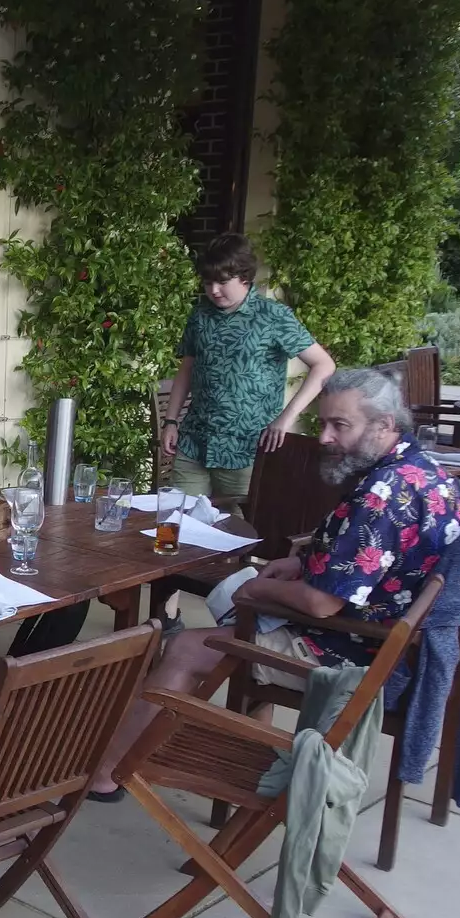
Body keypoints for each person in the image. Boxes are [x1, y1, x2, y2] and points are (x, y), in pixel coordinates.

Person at [91, 368, 460, 799]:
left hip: (355, 654)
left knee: (186, 647)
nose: (325, 437)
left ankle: (106, 775)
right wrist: (305, 561)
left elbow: (321, 603)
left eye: (340, 425)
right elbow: (382, 557)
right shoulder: (429, 472)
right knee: (243, 620)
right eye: (322, 423)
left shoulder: (381, 493)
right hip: (399, 643)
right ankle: (250, 744)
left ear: (385, 424)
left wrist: (256, 590)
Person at [158, 234, 336, 631]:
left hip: (249, 446)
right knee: (171, 520)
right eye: (207, 282)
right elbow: (187, 369)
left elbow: (323, 365)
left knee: (246, 530)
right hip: (195, 438)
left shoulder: (273, 317)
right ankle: (166, 612)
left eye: (222, 281)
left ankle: (246, 613)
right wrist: (171, 421)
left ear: (245, 277)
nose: (214, 290)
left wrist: (286, 418)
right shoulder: (200, 314)